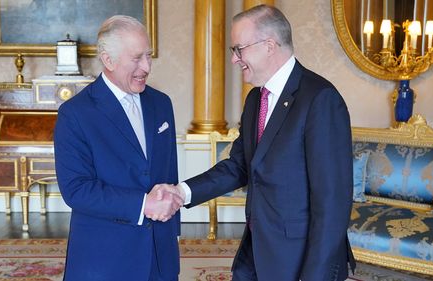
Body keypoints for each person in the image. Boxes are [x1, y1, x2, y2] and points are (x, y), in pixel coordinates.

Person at [156, 4, 356, 281]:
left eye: (239, 49)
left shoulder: (320, 99)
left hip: (300, 258)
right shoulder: (255, 100)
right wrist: (182, 192)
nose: (234, 59)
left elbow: (332, 201)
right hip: (258, 248)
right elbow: (239, 165)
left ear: (269, 46)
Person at [54, 15, 183, 281]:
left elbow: (169, 173)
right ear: (108, 59)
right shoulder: (75, 113)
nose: (146, 67)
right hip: (104, 259)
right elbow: (76, 190)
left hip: (160, 254)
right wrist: (143, 204)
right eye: (136, 58)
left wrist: (171, 232)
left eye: (148, 56)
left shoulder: (162, 104)